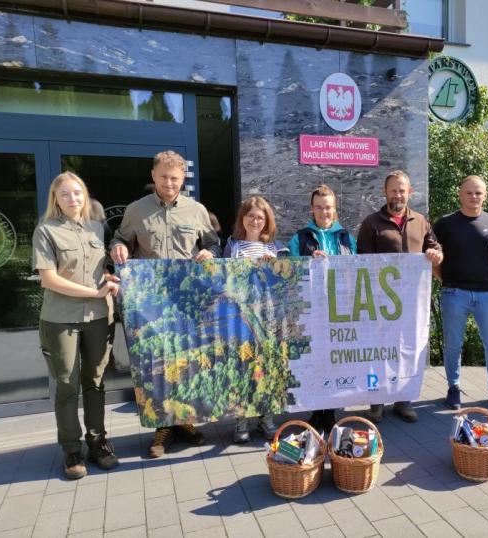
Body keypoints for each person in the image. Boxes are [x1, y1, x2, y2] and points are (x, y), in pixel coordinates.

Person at [110, 150, 221, 457]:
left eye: (175, 178)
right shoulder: (136, 210)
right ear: (153, 176)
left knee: (185, 360)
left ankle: (184, 421)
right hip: (151, 303)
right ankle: (162, 430)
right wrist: (118, 248)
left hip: (186, 301)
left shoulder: (196, 210)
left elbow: (212, 243)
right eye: (163, 177)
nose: (169, 183)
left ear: (182, 178)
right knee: (156, 365)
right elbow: (119, 239)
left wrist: (210, 253)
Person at [32, 172, 120, 479]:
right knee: (67, 386)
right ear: (55, 199)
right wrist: (93, 292)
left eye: (78, 193)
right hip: (60, 320)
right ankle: (71, 449)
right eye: (66, 194)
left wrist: (109, 280)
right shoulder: (46, 231)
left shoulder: (98, 228)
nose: (73, 199)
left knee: (95, 381)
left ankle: (98, 441)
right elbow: (49, 279)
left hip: (99, 317)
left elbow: (102, 269)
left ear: (85, 196)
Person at [357, 171, 443, 423]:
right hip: (380, 303)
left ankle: (403, 400)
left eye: (402, 190)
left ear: (410, 192)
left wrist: (437, 254)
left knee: (407, 349)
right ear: (385, 192)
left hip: (412, 302)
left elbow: (433, 246)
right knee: (379, 351)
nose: (398, 194)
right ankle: (376, 402)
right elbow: (361, 259)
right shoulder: (371, 223)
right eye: (393, 190)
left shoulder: (421, 221)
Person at [433, 175, 488, 413]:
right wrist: (444, 279)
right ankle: (453, 387)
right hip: (454, 292)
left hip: (486, 294)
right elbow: (434, 258)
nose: (474, 197)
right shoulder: (445, 224)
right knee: (453, 344)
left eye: (478, 193)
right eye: (469, 192)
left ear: (485, 195)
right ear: (460, 194)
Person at [288, 184, 357, 434]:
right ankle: (317, 410)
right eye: (319, 207)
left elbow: (357, 270)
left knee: (334, 360)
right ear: (312, 209)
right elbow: (291, 271)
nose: (324, 212)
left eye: (328, 207)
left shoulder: (347, 237)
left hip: (339, 309)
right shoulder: (300, 237)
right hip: (311, 308)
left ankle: (331, 410)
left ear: (334, 209)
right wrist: (308, 262)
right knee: (314, 360)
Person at [223, 196, 286, 444]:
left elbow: (284, 284)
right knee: (242, 367)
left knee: (267, 368)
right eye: (251, 216)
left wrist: (276, 268)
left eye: (260, 217)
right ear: (243, 218)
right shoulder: (232, 246)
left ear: (266, 221)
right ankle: (241, 420)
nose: (255, 221)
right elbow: (224, 279)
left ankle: (266, 419)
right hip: (240, 316)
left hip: (268, 317)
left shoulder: (276, 248)